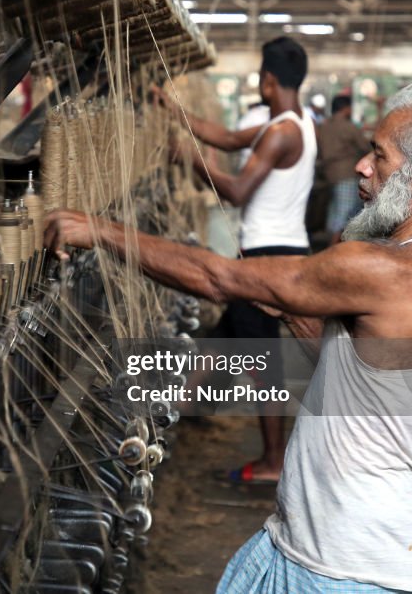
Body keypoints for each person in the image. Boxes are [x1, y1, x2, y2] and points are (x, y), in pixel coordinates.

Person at [45, 82, 412, 592]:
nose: (361, 167)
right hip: (320, 547)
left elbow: (218, 280)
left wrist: (103, 232)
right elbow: (369, 381)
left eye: (378, 154)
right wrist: (289, 310)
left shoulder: (389, 270)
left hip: (341, 569)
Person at [152, 36, 316, 486]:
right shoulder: (297, 122)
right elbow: (224, 136)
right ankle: (167, 417)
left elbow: (239, 191)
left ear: (267, 80)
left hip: (267, 256)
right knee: (221, 343)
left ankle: (273, 461)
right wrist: (170, 108)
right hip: (284, 249)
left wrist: (191, 162)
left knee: (262, 363)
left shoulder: (281, 133)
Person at [318, 94, 371, 245]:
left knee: (334, 214)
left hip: (329, 175)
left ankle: (331, 248)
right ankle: (332, 252)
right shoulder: (349, 127)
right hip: (346, 175)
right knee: (344, 215)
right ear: (346, 108)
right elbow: (365, 147)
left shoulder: (323, 126)